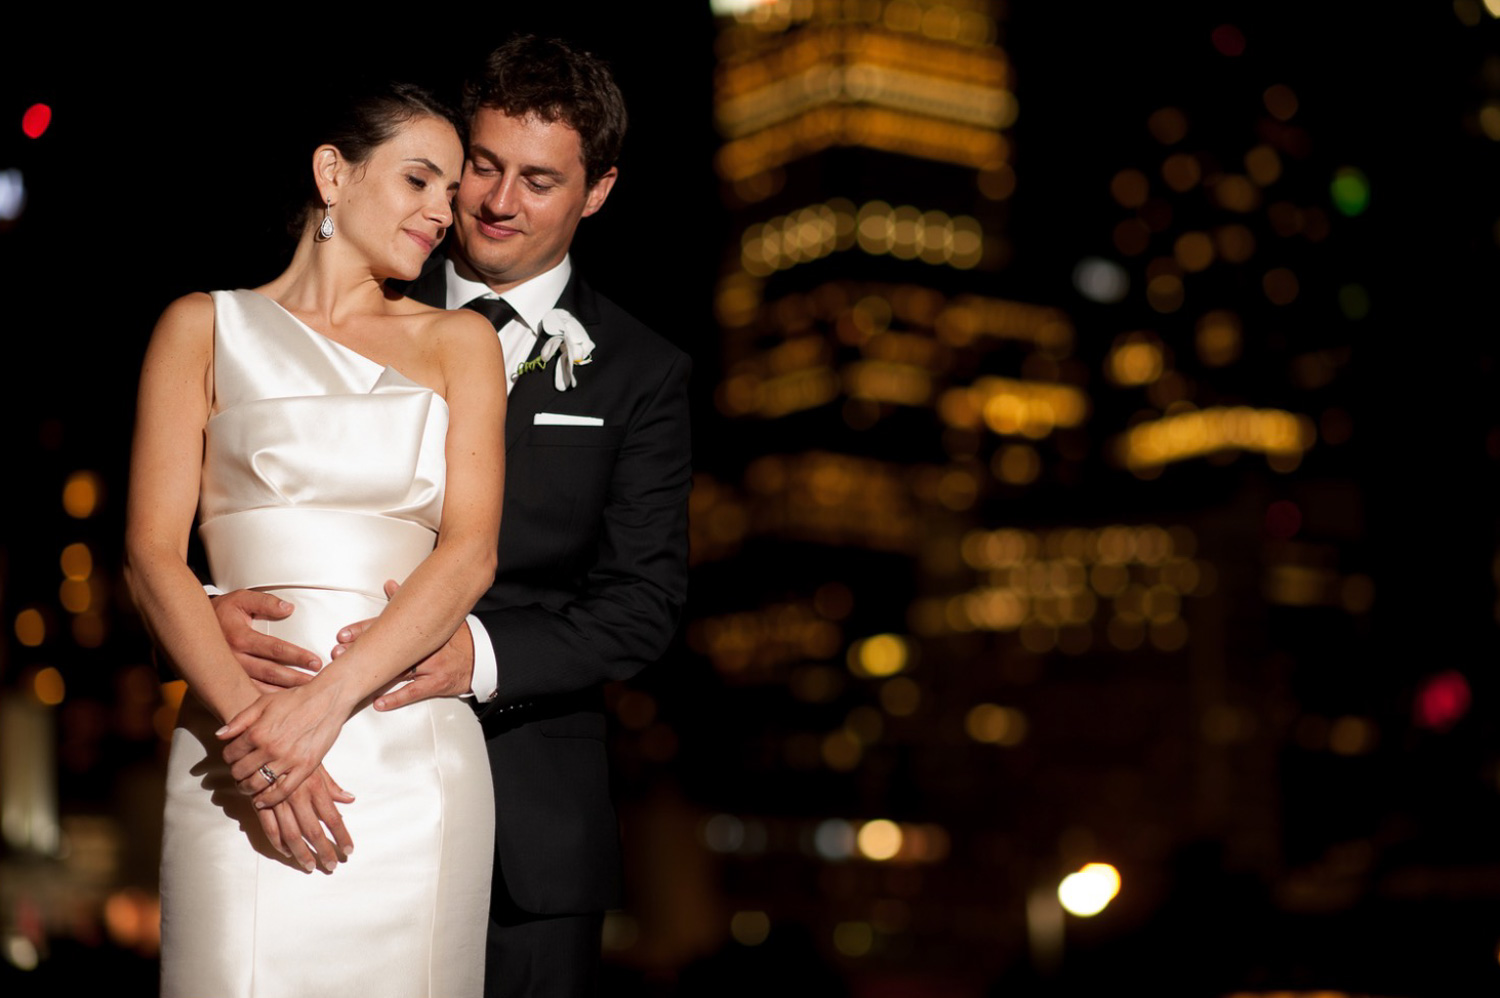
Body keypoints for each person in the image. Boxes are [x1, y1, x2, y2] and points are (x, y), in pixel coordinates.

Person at [212, 36, 692, 998]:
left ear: (596, 192)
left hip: (529, 826)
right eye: (483, 165)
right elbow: (224, 504)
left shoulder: (643, 372)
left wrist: (477, 655)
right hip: (309, 772)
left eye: (540, 180)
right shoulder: (342, 309)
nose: (496, 202)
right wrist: (207, 612)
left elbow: (642, 603)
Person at [125, 85, 506, 997]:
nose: (440, 214)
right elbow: (150, 556)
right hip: (231, 745)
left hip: (405, 758)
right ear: (334, 172)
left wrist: (319, 710)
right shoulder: (199, 325)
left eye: (450, 196)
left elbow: (470, 555)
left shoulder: (464, 343)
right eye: (419, 179)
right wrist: (257, 742)